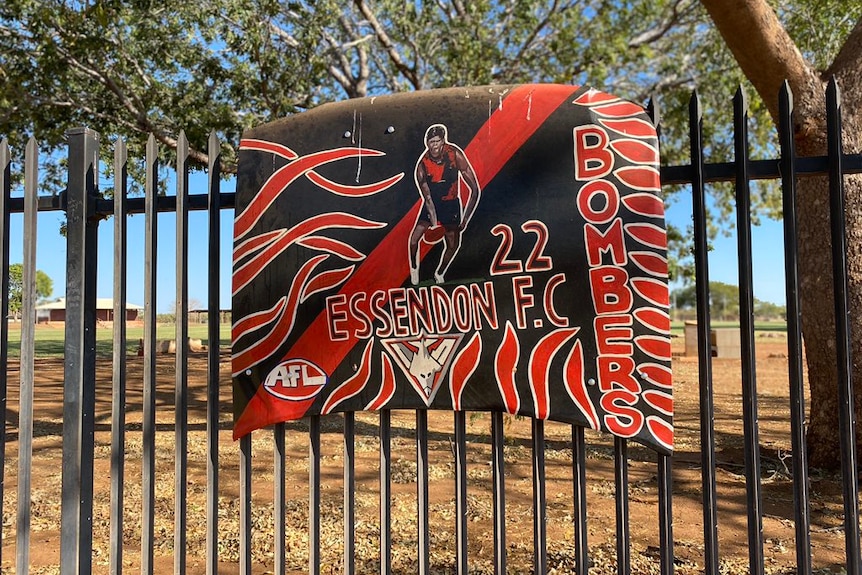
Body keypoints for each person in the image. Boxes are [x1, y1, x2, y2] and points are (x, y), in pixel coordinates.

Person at [408, 124, 481, 285]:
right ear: (427, 143)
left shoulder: (454, 154)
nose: (434, 145)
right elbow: (427, 198)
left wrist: (465, 219)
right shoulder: (422, 165)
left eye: (437, 141)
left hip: (451, 204)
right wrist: (434, 225)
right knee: (413, 240)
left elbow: (475, 190)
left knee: (453, 245)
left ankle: (440, 273)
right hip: (432, 205)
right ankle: (414, 270)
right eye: (431, 142)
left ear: (443, 141)